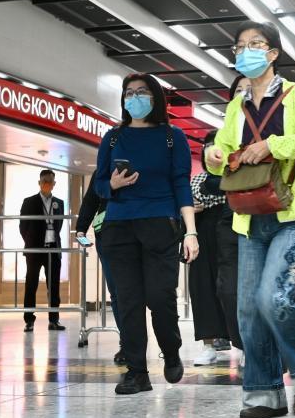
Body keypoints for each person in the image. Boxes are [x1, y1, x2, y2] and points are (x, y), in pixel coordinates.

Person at [206, 20, 295, 418]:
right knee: (248, 310)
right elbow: (223, 149)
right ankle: (263, 392)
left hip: (294, 212)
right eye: (240, 45)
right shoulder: (235, 104)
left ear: (273, 53)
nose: (246, 51)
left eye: (255, 44)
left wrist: (272, 146)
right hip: (250, 215)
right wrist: (214, 152)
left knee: (273, 297)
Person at [94, 73, 198, 395]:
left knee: (160, 297)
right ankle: (137, 372)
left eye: (141, 92)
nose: (134, 97)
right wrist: (111, 184)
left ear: (155, 98)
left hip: (159, 226)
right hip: (118, 226)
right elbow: (97, 184)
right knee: (127, 302)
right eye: (129, 92)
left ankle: (171, 350)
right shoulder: (112, 138)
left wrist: (190, 232)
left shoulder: (172, 137)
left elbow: (181, 183)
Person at [190, 130, 242, 365]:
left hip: (233, 231)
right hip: (204, 235)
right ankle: (209, 344)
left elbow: (219, 190)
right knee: (203, 289)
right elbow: (197, 196)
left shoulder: (238, 175)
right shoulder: (197, 179)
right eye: (207, 147)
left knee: (232, 290)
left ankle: (242, 344)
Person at [77, 174, 126, 365]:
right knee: (116, 292)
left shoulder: (141, 162)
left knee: (131, 292)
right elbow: (91, 198)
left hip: (137, 234)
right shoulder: (102, 171)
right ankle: (127, 341)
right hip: (107, 235)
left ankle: (134, 339)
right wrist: (81, 228)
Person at [20, 169, 66, 332]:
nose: (47, 184)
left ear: (54, 184)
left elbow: (59, 226)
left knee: (53, 286)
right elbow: (23, 227)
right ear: (39, 183)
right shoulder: (29, 202)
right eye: (44, 181)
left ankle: (54, 320)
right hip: (34, 250)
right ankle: (29, 320)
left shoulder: (59, 203)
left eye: (50, 181)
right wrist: (31, 243)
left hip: (53, 249)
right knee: (31, 285)